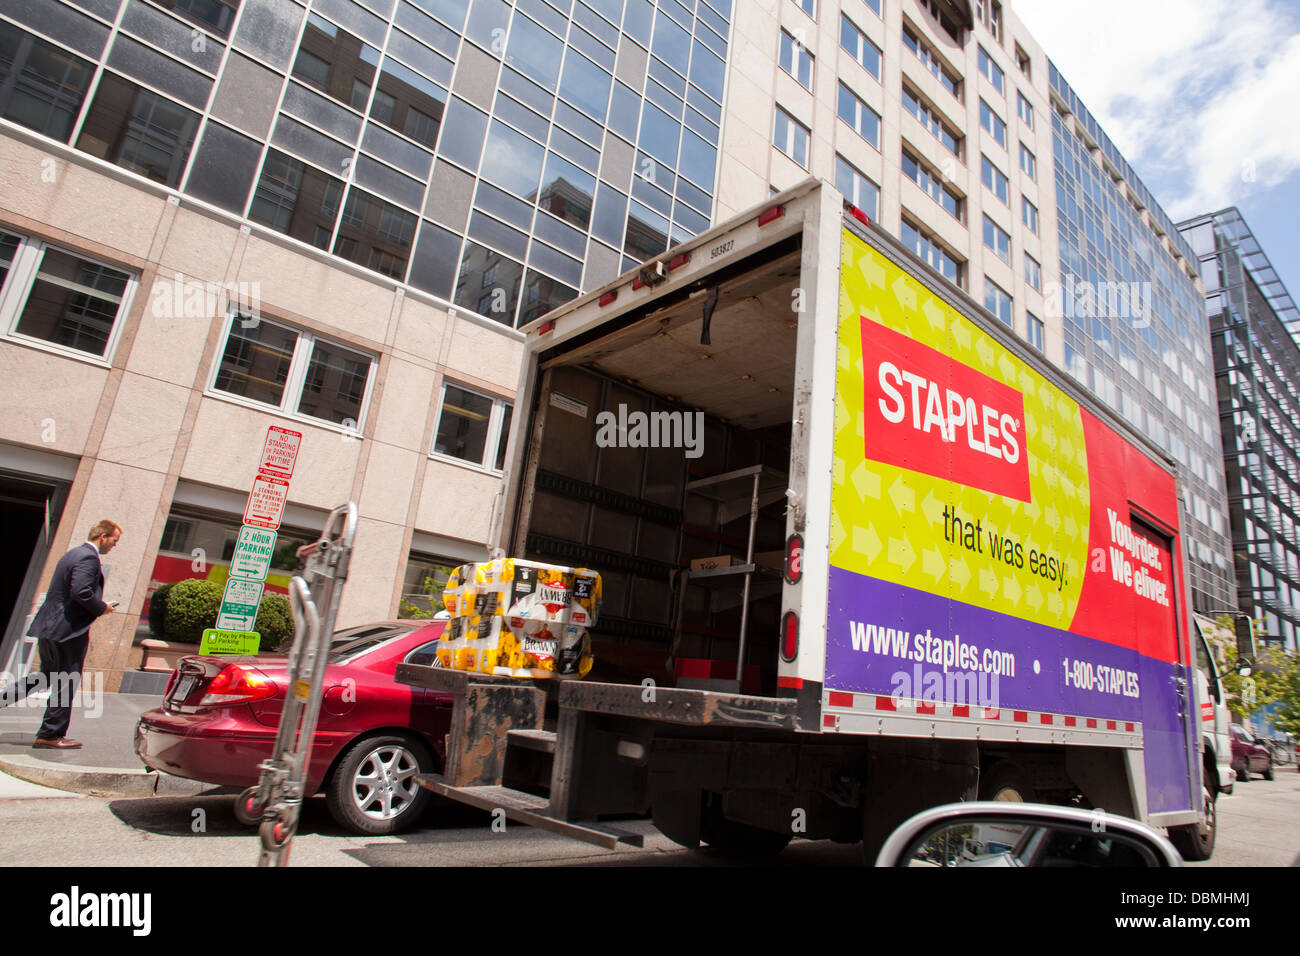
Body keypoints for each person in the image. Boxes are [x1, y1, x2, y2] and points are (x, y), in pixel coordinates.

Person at [0, 520, 121, 748]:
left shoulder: (72, 554)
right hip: (68, 631)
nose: (114, 546)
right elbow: (81, 591)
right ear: (102, 537)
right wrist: (102, 607)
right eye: (114, 541)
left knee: (45, 676)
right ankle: (51, 734)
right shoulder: (88, 558)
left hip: (51, 627)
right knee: (66, 680)